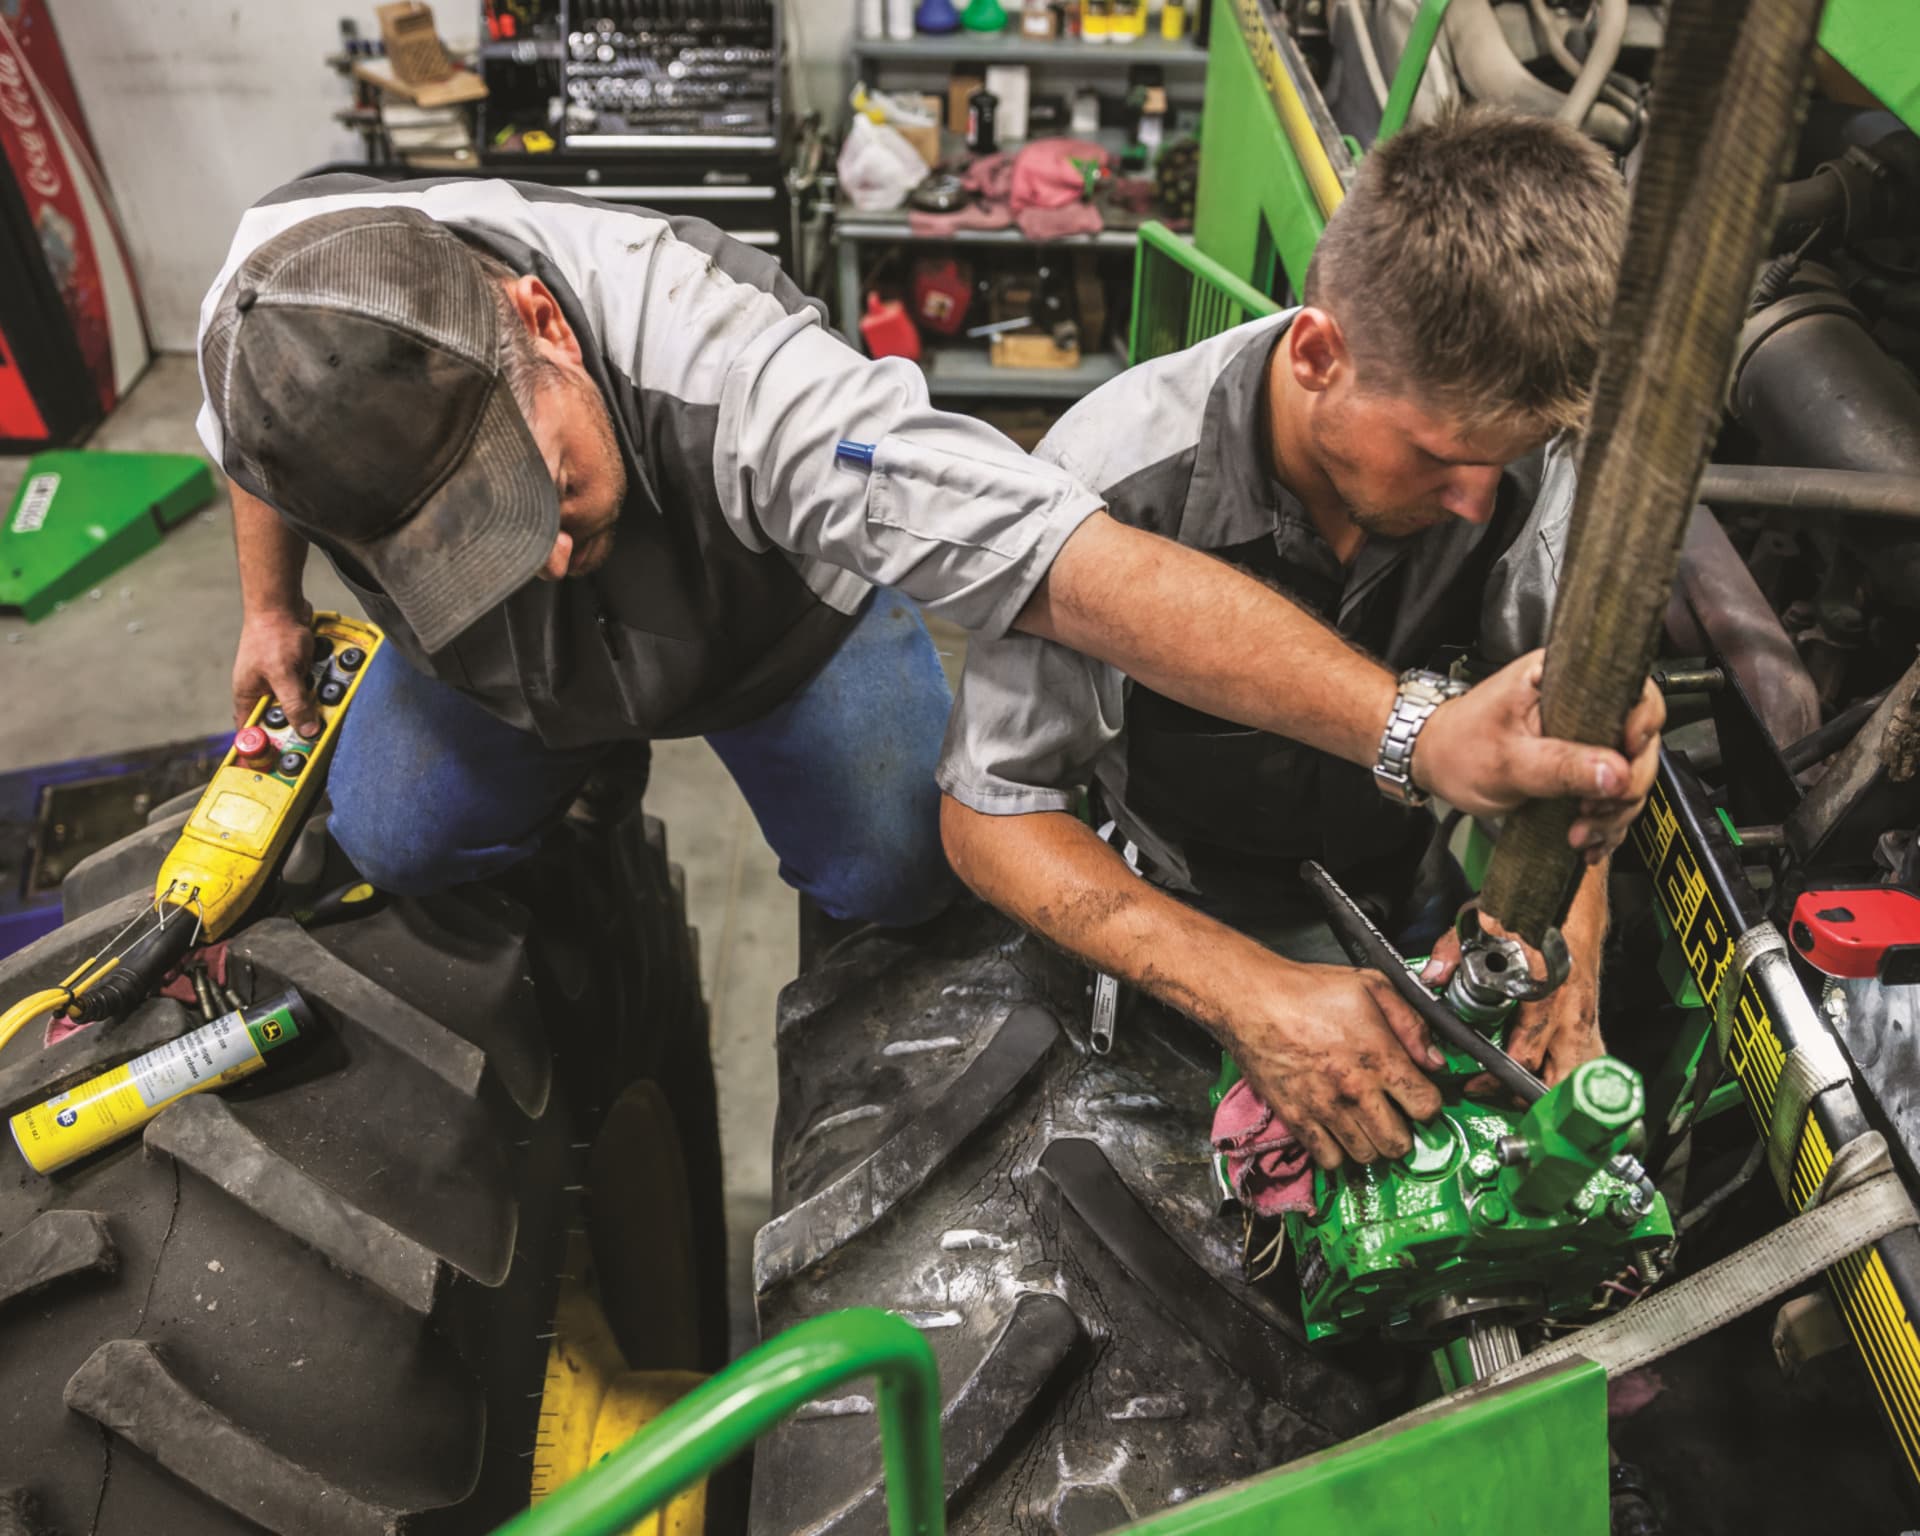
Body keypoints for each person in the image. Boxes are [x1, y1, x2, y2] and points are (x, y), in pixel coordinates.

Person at [198, 169, 1654, 936]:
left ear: (544, 324)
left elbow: (1065, 563)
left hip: (772, 635)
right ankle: (577, 811)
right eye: (463, 534)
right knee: (396, 838)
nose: (548, 552)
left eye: (543, 494)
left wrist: (1408, 731)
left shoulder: (742, 376)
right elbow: (254, 457)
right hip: (492, 666)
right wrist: (273, 606)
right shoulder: (269, 320)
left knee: (902, 874)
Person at [937, 107, 1662, 1169]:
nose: (1473, 504)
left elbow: (1570, 738)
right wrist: (1252, 993)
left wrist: (1572, 924)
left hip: (1406, 900)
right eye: (1437, 456)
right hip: (1167, 911)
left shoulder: (1523, 477)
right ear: (1319, 352)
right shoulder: (1113, 479)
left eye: (1503, 461)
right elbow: (990, 811)